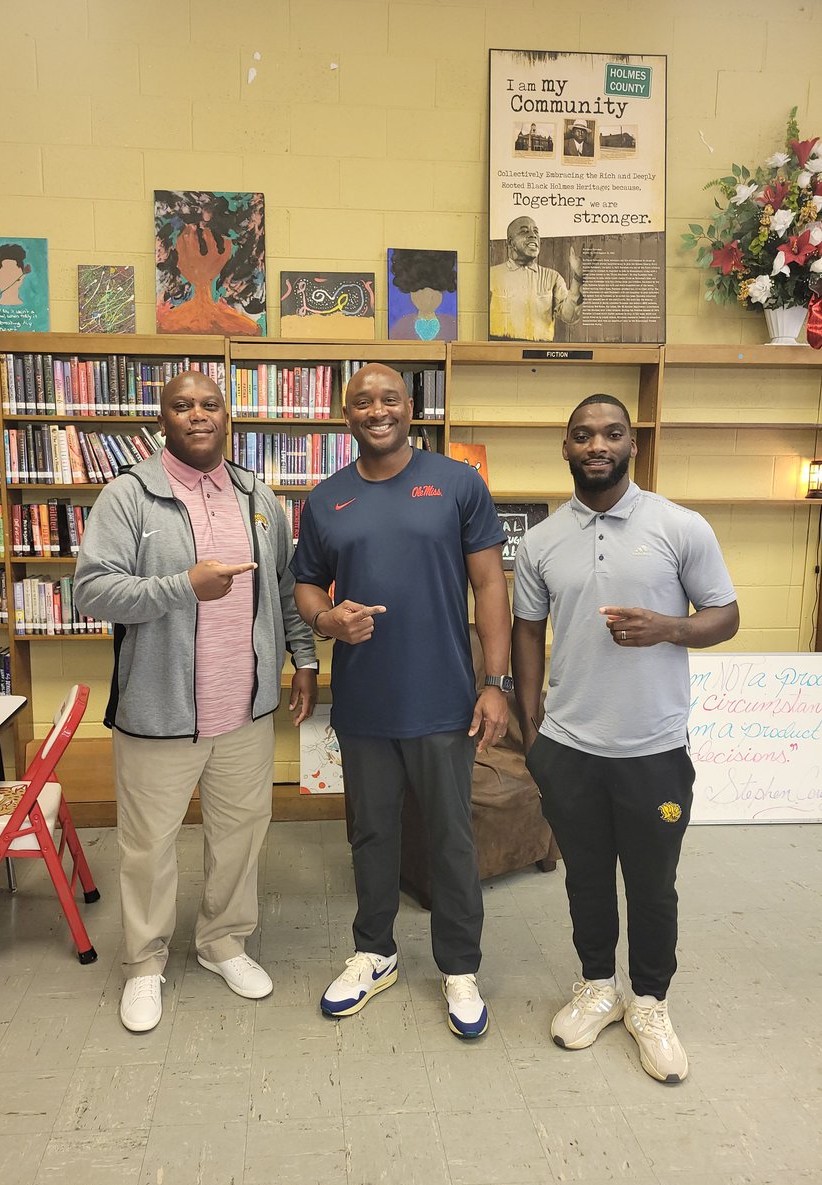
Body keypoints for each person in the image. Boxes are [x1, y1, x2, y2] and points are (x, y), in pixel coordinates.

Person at [73, 370, 317, 1033]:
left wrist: (304, 660)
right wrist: (182, 586)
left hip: (244, 712)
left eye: (210, 404)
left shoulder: (257, 495)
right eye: (183, 406)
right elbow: (90, 591)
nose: (199, 415)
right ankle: (145, 963)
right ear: (164, 419)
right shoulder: (129, 496)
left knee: (239, 835)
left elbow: (285, 588)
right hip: (157, 718)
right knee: (147, 848)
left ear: (227, 415)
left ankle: (222, 943)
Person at [511, 394, 739, 1083]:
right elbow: (526, 630)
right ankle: (595, 986)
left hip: (654, 750)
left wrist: (668, 628)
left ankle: (648, 1002)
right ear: (567, 448)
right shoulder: (545, 539)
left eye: (611, 433)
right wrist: (532, 726)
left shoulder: (679, 526)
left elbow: (724, 616)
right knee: (585, 877)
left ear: (631, 443)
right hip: (570, 747)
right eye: (583, 435)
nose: (597, 444)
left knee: (652, 884)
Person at [291, 363, 511, 1038]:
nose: (376, 410)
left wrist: (495, 683)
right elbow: (304, 589)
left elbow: (491, 587)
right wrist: (328, 621)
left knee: (450, 838)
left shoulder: (457, 483)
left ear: (409, 408)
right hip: (363, 704)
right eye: (363, 401)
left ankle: (459, 967)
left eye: (389, 399)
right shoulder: (326, 500)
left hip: (444, 699)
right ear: (345, 413)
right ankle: (375, 953)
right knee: (371, 834)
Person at [489, 215, 583, 341]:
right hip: (503, 353)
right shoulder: (492, 275)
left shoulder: (552, 277)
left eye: (536, 231)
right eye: (524, 231)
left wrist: (578, 277)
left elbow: (569, 316)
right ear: (511, 242)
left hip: (540, 355)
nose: (533, 235)